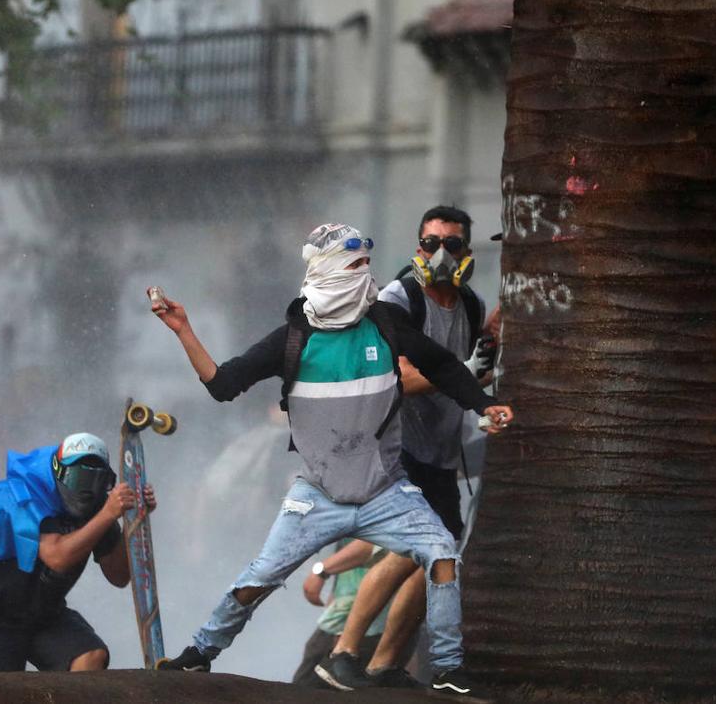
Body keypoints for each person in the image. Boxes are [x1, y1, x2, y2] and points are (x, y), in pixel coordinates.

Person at [148, 222, 514, 698]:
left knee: (442, 554)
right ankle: (199, 654)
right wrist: (184, 330)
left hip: (386, 490)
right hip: (317, 494)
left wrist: (484, 406)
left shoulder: (385, 323)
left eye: (368, 265)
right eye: (355, 266)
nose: (365, 276)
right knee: (259, 578)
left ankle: (447, 670)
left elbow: (442, 366)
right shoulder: (293, 338)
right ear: (328, 271)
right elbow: (223, 384)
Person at [315, 205, 497, 690]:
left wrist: (483, 363)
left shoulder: (471, 306)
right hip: (395, 448)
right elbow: (396, 376)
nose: (440, 253)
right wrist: (460, 368)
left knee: (443, 559)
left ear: (466, 252)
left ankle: (386, 664)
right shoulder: (399, 299)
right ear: (418, 247)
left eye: (451, 245)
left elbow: (472, 373)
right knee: (411, 548)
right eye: (431, 243)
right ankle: (343, 652)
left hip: (440, 452)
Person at [0, 432, 154, 671]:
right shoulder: (24, 494)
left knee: (89, 657)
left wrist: (132, 519)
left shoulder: (99, 504)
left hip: (41, 614)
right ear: (59, 472)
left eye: (96, 480)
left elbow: (119, 575)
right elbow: (56, 557)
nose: (87, 489)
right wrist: (108, 513)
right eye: (78, 478)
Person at [291, 539, 402, 686]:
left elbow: (375, 544)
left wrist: (322, 571)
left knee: (314, 688)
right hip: (343, 617)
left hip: (371, 625)